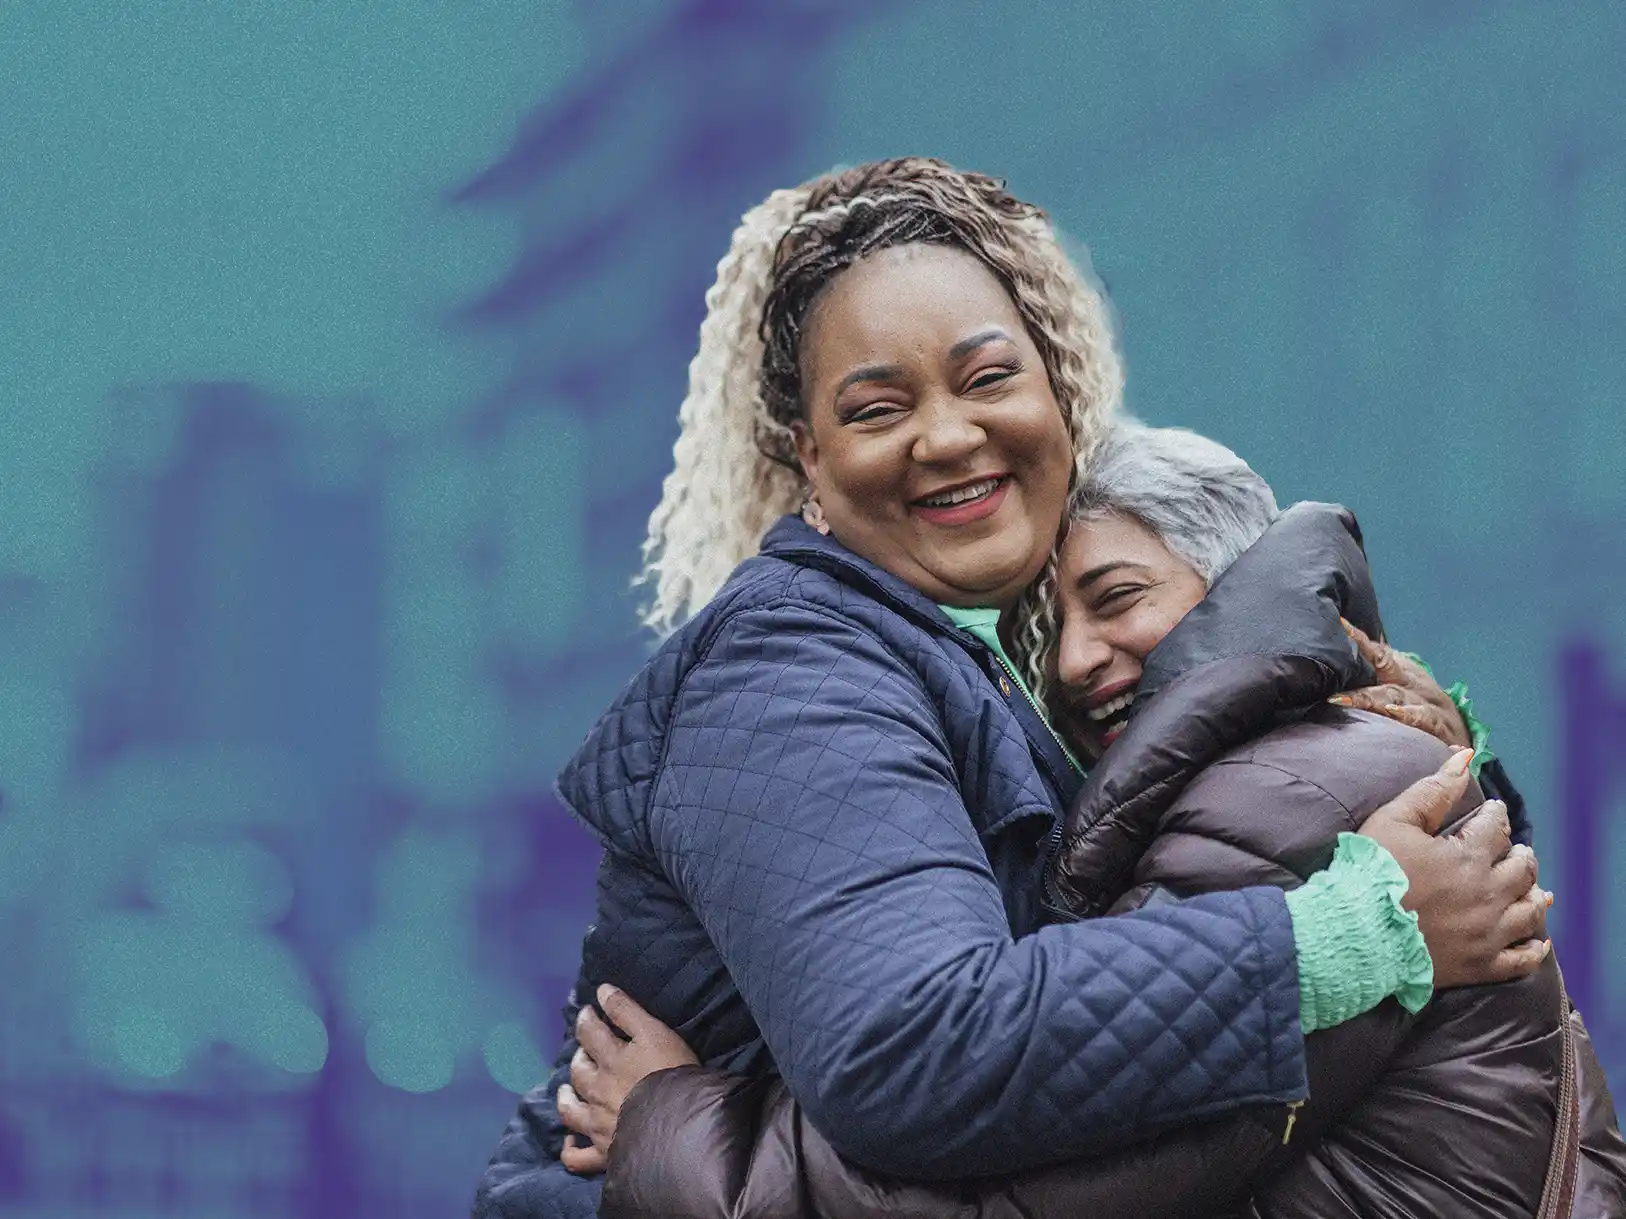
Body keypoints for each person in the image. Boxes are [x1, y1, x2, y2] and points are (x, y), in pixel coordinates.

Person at [472, 160, 1547, 1219]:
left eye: (988, 378)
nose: (946, 435)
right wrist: (1346, 936)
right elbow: (915, 1047)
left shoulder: (963, 664)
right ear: (809, 460)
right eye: (876, 408)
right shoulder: (794, 664)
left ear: (1057, 392)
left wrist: (672, 1119)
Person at [554, 425, 1626, 1218]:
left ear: (1232, 583)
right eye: (1045, 630)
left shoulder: (1303, 799)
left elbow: (1022, 1187)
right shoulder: (1329, 763)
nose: (1072, 662)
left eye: (1116, 599)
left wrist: (668, 1120)